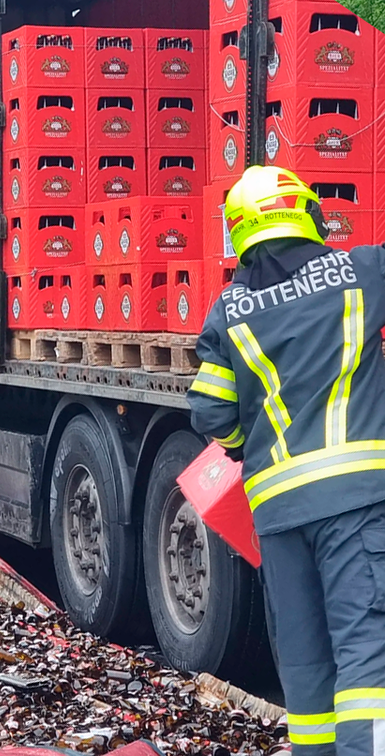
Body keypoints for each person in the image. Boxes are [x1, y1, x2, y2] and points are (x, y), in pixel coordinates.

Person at [188, 164, 385, 756]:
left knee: (303, 663)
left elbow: (210, 411)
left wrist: (250, 447)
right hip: (355, 499)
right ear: (305, 212)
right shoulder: (360, 272)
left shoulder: (230, 309)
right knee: (365, 657)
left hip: (275, 512)